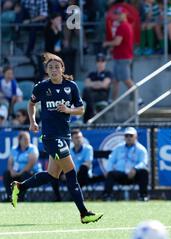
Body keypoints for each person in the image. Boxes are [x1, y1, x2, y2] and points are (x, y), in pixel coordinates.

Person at [9, 52, 103, 224]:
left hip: (65, 135)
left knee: (53, 175)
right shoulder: (42, 87)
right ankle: (84, 213)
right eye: (50, 67)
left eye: (56, 67)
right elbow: (30, 104)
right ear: (47, 70)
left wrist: (68, 110)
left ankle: (20, 187)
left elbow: (80, 110)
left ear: (62, 69)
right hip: (51, 136)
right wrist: (32, 121)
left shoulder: (71, 86)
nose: (53, 70)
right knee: (71, 173)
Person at [103, 127, 149, 201]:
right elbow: (111, 160)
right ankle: (107, 196)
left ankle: (143, 195)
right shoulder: (118, 148)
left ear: (136, 136)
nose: (128, 137)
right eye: (126, 135)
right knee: (110, 174)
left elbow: (143, 162)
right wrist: (108, 170)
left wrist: (135, 169)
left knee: (144, 172)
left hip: (134, 175)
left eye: (131, 135)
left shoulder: (141, 149)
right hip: (121, 174)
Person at [103, 7, 138, 102]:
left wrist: (107, 43)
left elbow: (117, 42)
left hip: (123, 57)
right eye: (117, 14)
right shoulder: (124, 26)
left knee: (126, 80)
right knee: (115, 80)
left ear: (124, 14)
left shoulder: (123, 26)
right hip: (119, 57)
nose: (118, 16)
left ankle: (138, 99)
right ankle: (113, 101)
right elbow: (119, 43)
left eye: (119, 14)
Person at [3, 131, 42, 202]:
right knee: (6, 174)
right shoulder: (14, 149)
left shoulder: (33, 149)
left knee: (24, 176)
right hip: (17, 173)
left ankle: (20, 198)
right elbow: (10, 163)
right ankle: (10, 197)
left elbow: (31, 164)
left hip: (30, 173)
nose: (27, 141)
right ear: (19, 140)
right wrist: (12, 171)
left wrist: (19, 173)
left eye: (28, 139)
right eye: (25, 139)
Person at [82, 53, 113, 122]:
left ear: (105, 62)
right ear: (96, 63)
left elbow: (104, 85)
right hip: (91, 94)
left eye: (102, 61)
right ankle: (92, 112)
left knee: (87, 95)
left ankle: (87, 120)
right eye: (98, 61)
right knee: (86, 91)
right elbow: (86, 84)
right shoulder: (92, 74)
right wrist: (99, 83)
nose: (100, 63)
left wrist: (93, 84)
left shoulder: (108, 73)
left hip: (102, 95)